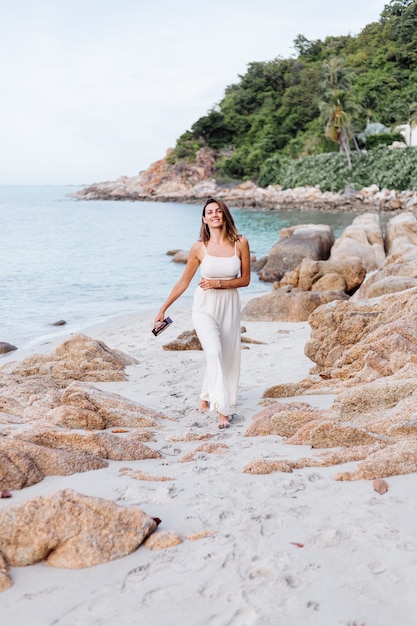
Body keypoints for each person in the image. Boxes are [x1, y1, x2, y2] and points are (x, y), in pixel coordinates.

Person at [154, 197, 250, 429]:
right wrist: (163, 308)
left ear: (224, 215)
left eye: (219, 211)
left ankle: (204, 397)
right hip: (204, 307)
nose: (215, 214)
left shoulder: (240, 243)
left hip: (229, 305)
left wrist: (220, 284)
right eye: (210, 212)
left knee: (223, 356)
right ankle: (223, 410)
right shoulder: (199, 247)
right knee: (215, 351)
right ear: (204, 219)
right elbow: (184, 281)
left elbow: (245, 280)